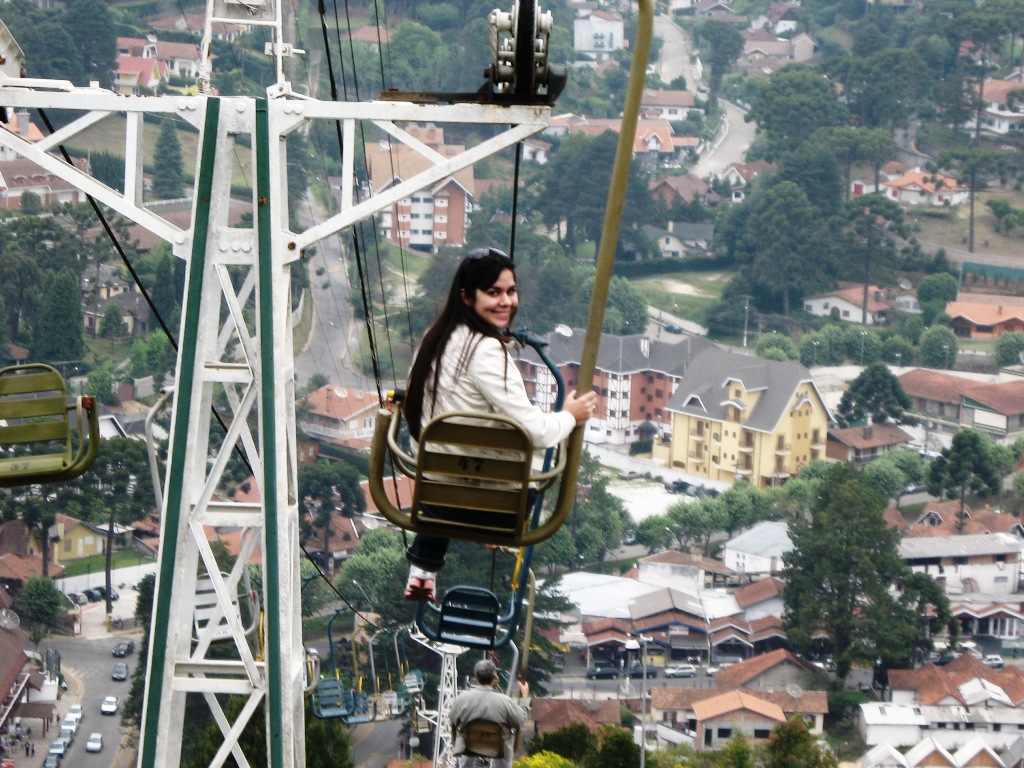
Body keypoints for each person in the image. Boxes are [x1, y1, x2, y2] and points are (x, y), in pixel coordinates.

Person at [402, 247, 597, 601]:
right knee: (537, 449)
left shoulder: (435, 337)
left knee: (469, 442)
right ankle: (494, 527)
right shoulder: (486, 351)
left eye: (511, 291)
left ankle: (423, 567)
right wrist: (570, 415)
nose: (506, 301)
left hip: (433, 492)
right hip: (490, 503)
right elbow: (536, 431)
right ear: (467, 296)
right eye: (494, 293)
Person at [449, 658, 529, 768]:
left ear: (476, 677)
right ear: (495, 678)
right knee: (506, 735)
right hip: (498, 749)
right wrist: (524, 697)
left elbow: (453, 722)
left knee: (464, 733)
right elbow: (521, 720)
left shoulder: (462, 699)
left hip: (469, 748)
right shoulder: (505, 701)